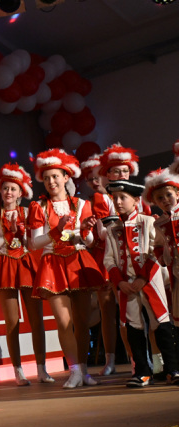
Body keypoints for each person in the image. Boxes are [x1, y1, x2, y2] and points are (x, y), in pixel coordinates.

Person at [28, 149, 105, 389]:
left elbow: (88, 242)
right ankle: (74, 371)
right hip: (52, 264)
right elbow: (34, 243)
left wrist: (86, 230)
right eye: (46, 178)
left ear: (65, 177)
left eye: (55, 176)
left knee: (82, 322)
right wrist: (56, 231)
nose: (51, 181)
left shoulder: (82, 204)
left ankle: (84, 371)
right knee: (63, 321)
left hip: (78, 261)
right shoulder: (39, 207)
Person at [103, 179, 179, 387]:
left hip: (149, 282)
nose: (118, 202)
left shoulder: (149, 222)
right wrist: (120, 282)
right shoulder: (112, 229)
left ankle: (172, 368)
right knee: (133, 327)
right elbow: (109, 259)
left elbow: (156, 251)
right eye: (115, 198)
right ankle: (142, 372)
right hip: (126, 287)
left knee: (161, 323)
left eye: (123, 198)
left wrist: (143, 278)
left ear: (136, 200)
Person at [0, 163, 52, 386]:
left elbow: (33, 243)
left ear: (21, 192)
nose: (8, 192)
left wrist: (21, 233)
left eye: (13, 189)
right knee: (12, 322)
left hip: (26, 265)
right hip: (5, 266)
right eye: (5, 188)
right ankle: (18, 371)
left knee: (36, 320)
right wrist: (8, 234)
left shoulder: (29, 212)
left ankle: (41, 369)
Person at [94, 144, 151, 375]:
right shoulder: (102, 199)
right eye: (116, 171)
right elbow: (101, 234)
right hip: (114, 258)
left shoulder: (139, 195)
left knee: (154, 314)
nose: (121, 174)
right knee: (122, 315)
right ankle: (133, 362)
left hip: (142, 261)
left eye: (125, 170)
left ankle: (156, 361)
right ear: (107, 174)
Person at [80, 153, 125, 376]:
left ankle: (142, 358)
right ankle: (110, 360)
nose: (95, 181)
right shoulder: (94, 201)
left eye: (98, 176)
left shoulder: (126, 195)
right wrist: (86, 232)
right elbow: (98, 236)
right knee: (107, 311)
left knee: (129, 310)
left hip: (126, 254)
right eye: (90, 179)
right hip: (103, 256)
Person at [145, 166, 179, 319]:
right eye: (160, 198)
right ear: (154, 202)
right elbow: (158, 245)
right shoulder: (159, 223)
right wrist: (163, 258)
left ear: (177, 194)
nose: (165, 199)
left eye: (168, 195)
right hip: (175, 269)